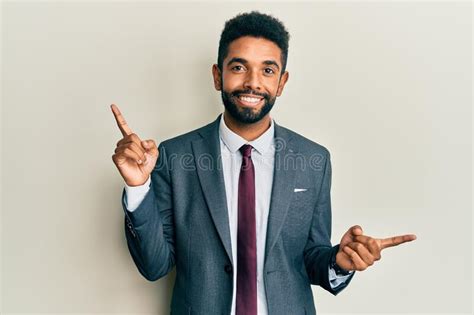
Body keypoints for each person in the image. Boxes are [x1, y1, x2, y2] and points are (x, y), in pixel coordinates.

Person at [111, 11, 416, 315]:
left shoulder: (313, 160)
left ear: (282, 82)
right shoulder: (174, 157)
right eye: (239, 67)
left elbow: (311, 258)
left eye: (268, 71)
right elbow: (154, 266)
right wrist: (138, 188)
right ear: (218, 76)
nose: (252, 83)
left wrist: (339, 261)